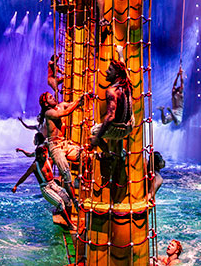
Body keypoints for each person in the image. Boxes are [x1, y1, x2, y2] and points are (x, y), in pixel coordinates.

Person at [88, 60, 134, 198]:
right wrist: (120, 54)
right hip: (130, 126)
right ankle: (120, 152)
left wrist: (97, 138)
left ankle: (108, 154)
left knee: (93, 132)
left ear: (116, 74)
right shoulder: (127, 84)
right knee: (113, 127)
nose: (106, 72)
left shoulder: (111, 91)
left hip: (118, 130)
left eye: (110, 70)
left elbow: (110, 117)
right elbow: (125, 71)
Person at [38, 89, 92, 189]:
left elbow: (71, 105)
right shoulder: (49, 113)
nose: (53, 97)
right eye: (50, 97)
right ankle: (70, 199)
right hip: (56, 147)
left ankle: (79, 180)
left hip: (64, 144)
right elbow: (66, 112)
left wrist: (85, 98)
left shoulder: (61, 105)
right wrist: (78, 101)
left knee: (86, 156)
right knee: (66, 174)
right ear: (46, 104)